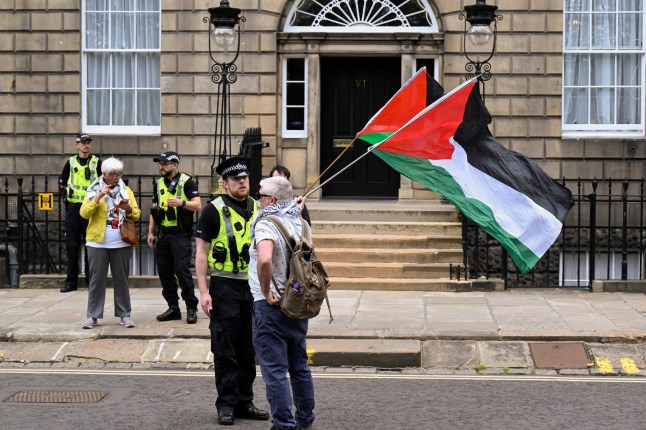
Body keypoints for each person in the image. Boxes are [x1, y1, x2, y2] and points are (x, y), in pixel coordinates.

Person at [195, 156, 269, 426]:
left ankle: (244, 402)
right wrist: (204, 292)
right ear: (224, 183)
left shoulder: (258, 207)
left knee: (248, 348)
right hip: (224, 287)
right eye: (236, 179)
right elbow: (201, 254)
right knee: (225, 348)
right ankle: (225, 404)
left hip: (252, 287)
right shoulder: (212, 210)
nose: (242, 182)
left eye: (245, 178)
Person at [249, 176, 315, 430]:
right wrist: (293, 207)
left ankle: (284, 424)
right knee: (299, 365)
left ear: (272, 200)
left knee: (275, 370)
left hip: (272, 305)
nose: (257, 199)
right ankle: (305, 417)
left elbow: (265, 259)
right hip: (297, 300)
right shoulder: (299, 221)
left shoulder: (266, 224)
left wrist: (266, 292)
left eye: (261, 195)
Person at [79, 157, 141, 329]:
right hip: (97, 242)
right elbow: (84, 213)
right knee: (96, 280)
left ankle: (125, 315)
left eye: (119, 174)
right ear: (104, 174)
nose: (117, 177)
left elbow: (136, 214)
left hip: (120, 241)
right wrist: (98, 197)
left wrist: (127, 209)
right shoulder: (93, 190)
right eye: (113, 174)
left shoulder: (125, 190)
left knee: (121, 279)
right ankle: (92, 316)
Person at [147, 151, 202, 324]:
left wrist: (182, 203)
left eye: (164, 163)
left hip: (180, 235)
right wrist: (150, 232)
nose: (161, 166)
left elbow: (198, 205)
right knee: (164, 273)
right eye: (160, 163)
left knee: (182, 271)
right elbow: (154, 209)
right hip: (163, 234)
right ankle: (173, 307)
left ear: (175, 165)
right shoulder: (158, 184)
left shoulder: (187, 181)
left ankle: (191, 307)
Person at [58, 133, 102, 293]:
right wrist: (67, 205)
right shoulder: (70, 163)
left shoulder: (97, 163)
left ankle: (91, 280)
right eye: (83, 142)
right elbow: (62, 185)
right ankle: (71, 281)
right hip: (74, 209)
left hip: (91, 208)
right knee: (72, 245)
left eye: (88, 142)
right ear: (77, 145)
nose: (86, 145)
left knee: (91, 245)